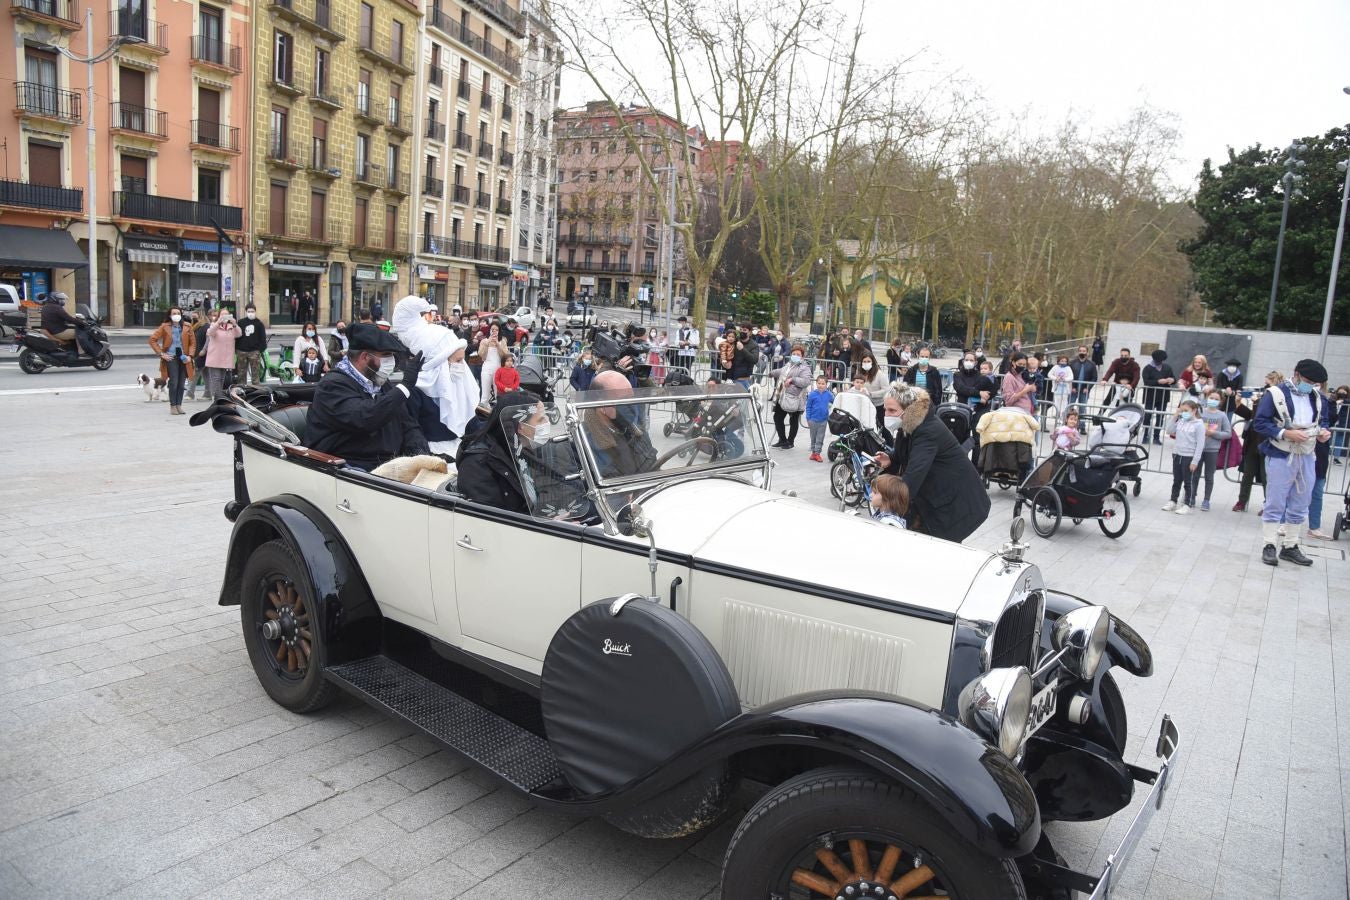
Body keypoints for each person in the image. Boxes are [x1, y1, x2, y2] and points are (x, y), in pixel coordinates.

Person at [874, 384, 990, 542]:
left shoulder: (927, 430)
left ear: (908, 409)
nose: (887, 415)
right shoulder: (909, 424)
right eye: (885, 410)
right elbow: (906, 453)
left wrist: (885, 497)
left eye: (892, 410)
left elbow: (912, 479)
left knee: (942, 549)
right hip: (936, 495)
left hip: (957, 503)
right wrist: (891, 459)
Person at [305, 324, 428, 470]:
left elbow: (408, 424)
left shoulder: (381, 383)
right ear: (364, 357)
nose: (391, 361)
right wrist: (404, 387)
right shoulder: (332, 385)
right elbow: (365, 417)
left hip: (389, 464)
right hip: (348, 467)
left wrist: (421, 456)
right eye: (386, 355)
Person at [1253, 359, 1333, 565]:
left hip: (1307, 453)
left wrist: (1324, 432)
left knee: (1302, 500)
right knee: (1276, 499)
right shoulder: (1275, 394)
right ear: (1296, 374)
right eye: (1308, 381)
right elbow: (1260, 423)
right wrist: (1284, 432)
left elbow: (1322, 420)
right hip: (1282, 453)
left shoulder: (1316, 396)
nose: (1311, 386)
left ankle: (1290, 545)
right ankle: (1269, 544)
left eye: (1315, 383)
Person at [392, 296, 477, 456]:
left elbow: (471, 422)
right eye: (458, 360)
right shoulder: (416, 392)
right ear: (438, 363)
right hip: (431, 456)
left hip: (459, 451)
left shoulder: (455, 384)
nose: (461, 366)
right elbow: (411, 434)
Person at [456, 392, 555, 515]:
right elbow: (493, 522)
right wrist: (547, 525)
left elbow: (542, 489)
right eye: (540, 419)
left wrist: (551, 515)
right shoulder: (476, 465)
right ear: (520, 427)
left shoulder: (521, 449)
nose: (547, 422)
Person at [583, 369, 658, 478]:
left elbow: (654, 469)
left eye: (631, 398)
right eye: (623, 400)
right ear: (601, 404)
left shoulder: (638, 433)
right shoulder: (582, 445)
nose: (630, 404)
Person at [1231, 371, 1282, 512]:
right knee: (1247, 474)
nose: (1264, 386)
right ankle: (1242, 501)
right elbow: (1252, 417)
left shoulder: (1277, 400)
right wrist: (1238, 404)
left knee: (1266, 477)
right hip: (1252, 442)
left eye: (1268, 382)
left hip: (1268, 443)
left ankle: (1268, 505)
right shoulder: (1261, 398)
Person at [147, 306, 197, 415]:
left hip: (184, 358)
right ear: (170, 315)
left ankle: (179, 405)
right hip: (171, 357)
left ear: (181, 314)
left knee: (181, 383)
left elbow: (193, 343)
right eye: (173, 313)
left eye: (178, 313)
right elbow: (152, 340)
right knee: (174, 382)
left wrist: (190, 356)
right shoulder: (165, 326)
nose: (176, 315)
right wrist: (161, 354)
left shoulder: (187, 326)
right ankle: (173, 406)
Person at [1162, 399, 1205, 515]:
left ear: (1194, 411)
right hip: (1177, 454)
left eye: (1186, 411)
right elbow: (1169, 430)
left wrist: (1195, 461)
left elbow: (1200, 444)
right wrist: (1175, 416)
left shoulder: (1199, 425)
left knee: (1188, 482)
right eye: (1182, 410)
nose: (1183, 413)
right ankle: (1173, 500)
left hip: (1189, 456)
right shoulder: (1181, 421)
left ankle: (1187, 504)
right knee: (1176, 480)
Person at [1196, 388, 1233, 511]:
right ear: (1207, 398)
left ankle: (1206, 500)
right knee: (1194, 474)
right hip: (1198, 449)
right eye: (1211, 398)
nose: (1213, 400)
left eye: (1216, 399)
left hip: (1212, 450)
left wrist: (1214, 433)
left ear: (1221, 401)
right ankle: (1190, 496)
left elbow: (1228, 433)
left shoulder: (1221, 415)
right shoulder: (1200, 413)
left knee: (1209, 476)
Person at [770, 345, 812, 449]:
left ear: (802, 357)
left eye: (798, 354)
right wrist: (771, 373)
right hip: (783, 396)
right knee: (777, 418)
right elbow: (781, 371)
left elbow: (806, 381)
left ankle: (790, 441)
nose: (795, 356)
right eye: (794, 354)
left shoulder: (804, 368)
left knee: (793, 421)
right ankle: (782, 440)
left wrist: (793, 380)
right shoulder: (789, 364)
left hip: (795, 398)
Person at [203, 308, 241, 402]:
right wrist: (218, 323)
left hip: (226, 359)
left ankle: (219, 398)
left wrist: (235, 324)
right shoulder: (214, 325)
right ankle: (217, 399)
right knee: (216, 379)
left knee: (222, 379)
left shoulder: (231, 327)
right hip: (215, 358)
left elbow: (239, 334)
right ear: (219, 316)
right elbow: (210, 333)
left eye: (227, 315)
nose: (224, 317)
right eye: (222, 315)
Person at [1140, 349, 1176, 445]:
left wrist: (1171, 380)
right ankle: (1145, 435)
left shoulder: (1167, 368)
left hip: (1163, 397)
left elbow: (1174, 378)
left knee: (1160, 417)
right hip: (1150, 396)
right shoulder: (1147, 368)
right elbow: (1146, 381)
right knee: (1148, 416)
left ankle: (1156, 436)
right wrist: (1158, 382)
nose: (1159, 362)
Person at [235, 304, 267, 387]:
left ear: (255, 312)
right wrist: (237, 349)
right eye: (249, 311)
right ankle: (242, 389)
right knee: (241, 374)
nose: (250, 313)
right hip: (242, 351)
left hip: (254, 351)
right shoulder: (241, 322)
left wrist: (259, 350)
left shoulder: (259, 324)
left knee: (255, 374)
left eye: (252, 311)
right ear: (246, 312)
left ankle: (256, 390)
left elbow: (263, 339)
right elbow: (237, 336)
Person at [805, 374, 833, 462]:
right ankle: (813, 452)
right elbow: (808, 407)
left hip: (823, 420)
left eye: (823, 383)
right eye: (819, 383)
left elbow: (835, 401)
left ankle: (817, 453)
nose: (821, 385)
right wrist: (808, 418)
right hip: (813, 420)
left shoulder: (829, 394)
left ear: (826, 385)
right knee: (813, 437)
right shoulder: (812, 394)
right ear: (816, 383)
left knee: (820, 437)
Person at [1068, 345, 1098, 410]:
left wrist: (1088, 388)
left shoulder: (1092, 364)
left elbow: (1094, 378)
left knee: (1082, 409)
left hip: (1084, 391)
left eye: (1084, 351)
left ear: (1087, 353)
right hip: (1073, 390)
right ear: (1078, 352)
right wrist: (1072, 387)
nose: (1082, 352)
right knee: (1069, 407)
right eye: (1080, 351)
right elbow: (1068, 376)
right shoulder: (1072, 363)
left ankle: (1082, 420)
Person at [1049, 354, 1074, 418]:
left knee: (1064, 403)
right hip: (1057, 388)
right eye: (1062, 361)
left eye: (1065, 361)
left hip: (1065, 389)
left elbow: (1071, 377)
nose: (1063, 362)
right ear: (1059, 361)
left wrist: (1065, 379)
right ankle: (1058, 413)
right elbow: (1049, 374)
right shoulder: (1055, 367)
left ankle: (1063, 415)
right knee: (1057, 402)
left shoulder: (1068, 368)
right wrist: (1055, 378)